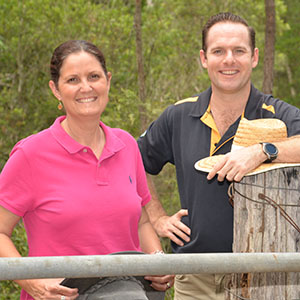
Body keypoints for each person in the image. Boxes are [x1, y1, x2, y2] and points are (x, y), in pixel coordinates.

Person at [138, 12, 300, 300]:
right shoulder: (178, 116)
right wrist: (158, 218)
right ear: (204, 58)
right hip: (194, 277)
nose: (229, 60)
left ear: (254, 57)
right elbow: (133, 162)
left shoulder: (278, 115)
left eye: (239, 51)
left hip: (265, 277)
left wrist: (262, 151)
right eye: (218, 51)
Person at [0, 40, 174, 300]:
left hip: (129, 293)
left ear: (108, 81)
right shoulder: (31, 154)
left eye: (94, 76)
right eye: (72, 80)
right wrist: (32, 282)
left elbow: (142, 221)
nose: (86, 87)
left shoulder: (126, 145)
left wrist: (158, 261)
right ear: (56, 90)